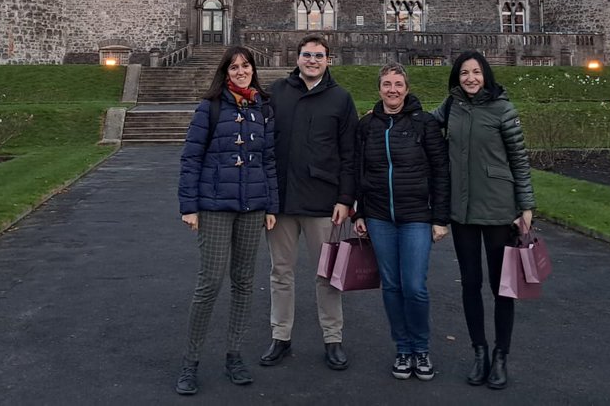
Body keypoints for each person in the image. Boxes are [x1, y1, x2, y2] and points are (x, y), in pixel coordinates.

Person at [176, 45, 279, 396]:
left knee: (244, 283)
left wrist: (271, 206)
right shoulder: (211, 106)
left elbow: (269, 161)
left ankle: (234, 354)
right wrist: (189, 206)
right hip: (215, 207)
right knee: (209, 285)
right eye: (234, 67)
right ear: (225, 71)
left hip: (252, 208)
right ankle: (190, 362)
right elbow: (191, 158)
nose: (240, 71)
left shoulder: (262, 107)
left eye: (246, 66)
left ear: (253, 69)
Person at [436, 51, 536, 391]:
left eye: (476, 72)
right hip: (462, 210)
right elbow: (420, 122)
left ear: (486, 75)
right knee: (469, 283)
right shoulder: (451, 107)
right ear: (457, 78)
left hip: (497, 208)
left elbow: (519, 160)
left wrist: (526, 206)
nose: (470, 79)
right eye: (464, 73)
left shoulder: (502, 109)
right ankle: (479, 352)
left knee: (501, 286)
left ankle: (501, 355)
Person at [261, 33, 359, 371]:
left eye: (319, 55)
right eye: (307, 54)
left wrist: (346, 198)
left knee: (328, 275)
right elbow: (262, 145)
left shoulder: (341, 99)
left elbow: (350, 155)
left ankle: (333, 339)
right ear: (297, 57)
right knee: (280, 273)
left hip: (323, 202)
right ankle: (281, 337)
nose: (312, 60)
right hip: (282, 202)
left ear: (328, 59)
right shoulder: (276, 93)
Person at [354, 64, 450, 382]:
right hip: (380, 217)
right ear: (379, 88)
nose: (392, 89)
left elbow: (440, 172)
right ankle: (403, 349)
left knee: (414, 287)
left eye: (398, 84)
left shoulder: (424, 124)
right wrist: (360, 214)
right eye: (386, 84)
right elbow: (359, 172)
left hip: (416, 218)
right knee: (392, 287)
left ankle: (421, 348)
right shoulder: (367, 125)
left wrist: (439, 218)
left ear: (406, 88)